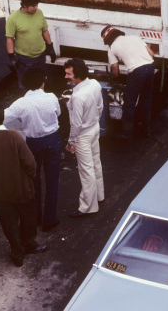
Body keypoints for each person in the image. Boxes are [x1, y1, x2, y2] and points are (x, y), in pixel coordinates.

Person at [0, 102, 47, 268]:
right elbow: (30, 163)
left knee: (8, 223)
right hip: (22, 188)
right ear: (3, 118)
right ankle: (29, 244)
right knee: (28, 218)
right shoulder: (14, 136)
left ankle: (17, 253)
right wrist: (32, 176)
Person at [3, 68, 62, 232]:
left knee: (33, 181)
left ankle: (35, 217)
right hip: (52, 140)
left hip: (33, 143)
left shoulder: (21, 103)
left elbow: (0, 117)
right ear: (43, 82)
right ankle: (49, 220)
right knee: (52, 180)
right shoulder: (51, 97)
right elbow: (58, 113)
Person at [64, 58, 104, 218]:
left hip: (83, 135)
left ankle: (87, 207)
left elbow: (76, 124)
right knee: (96, 164)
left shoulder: (78, 96)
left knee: (86, 170)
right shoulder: (94, 84)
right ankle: (99, 196)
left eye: (68, 74)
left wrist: (70, 142)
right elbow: (100, 107)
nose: (66, 76)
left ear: (78, 75)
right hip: (94, 128)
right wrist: (94, 120)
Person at [101, 25, 155, 140]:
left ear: (107, 40)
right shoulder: (135, 37)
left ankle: (127, 134)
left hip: (137, 72)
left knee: (129, 102)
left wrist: (109, 75)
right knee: (146, 98)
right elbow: (151, 54)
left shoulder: (112, 48)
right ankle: (146, 128)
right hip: (150, 67)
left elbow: (116, 73)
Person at [6, 0, 56, 89]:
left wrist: (50, 47)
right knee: (26, 84)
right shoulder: (13, 19)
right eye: (33, 6)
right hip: (25, 59)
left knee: (41, 81)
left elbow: (45, 31)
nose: (36, 8)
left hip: (41, 56)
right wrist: (11, 57)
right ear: (24, 5)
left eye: (37, 5)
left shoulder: (39, 13)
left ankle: (41, 100)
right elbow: (9, 39)